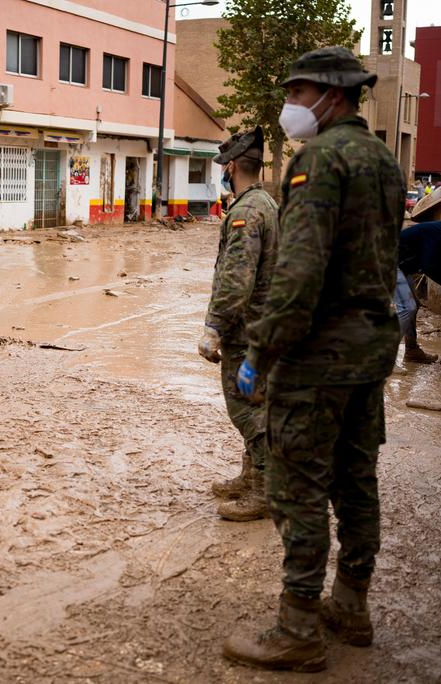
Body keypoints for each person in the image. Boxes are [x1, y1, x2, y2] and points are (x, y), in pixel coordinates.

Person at [222, 47, 406, 672]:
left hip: (317, 356)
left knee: (296, 486)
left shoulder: (317, 161)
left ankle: (298, 626)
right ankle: (351, 605)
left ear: (332, 95)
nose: (289, 106)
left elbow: (299, 275)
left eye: (297, 94)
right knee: (357, 481)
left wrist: (260, 350)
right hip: (371, 349)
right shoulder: (385, 160)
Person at [198, 126, 279, 522]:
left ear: (231, 167)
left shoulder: (246, 212)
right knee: (255, 403)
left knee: (245, 410)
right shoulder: (265, 202)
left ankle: (265, 492)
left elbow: (236, 279)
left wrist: (214, 328)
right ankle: (251, 479)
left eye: (223, 168)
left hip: (247, 331)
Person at [398, 220, 441, 363]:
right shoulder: (436, 233)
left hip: (403, 267)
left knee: (413, 306)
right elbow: (428, 265)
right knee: (407, 308)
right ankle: (382, 357)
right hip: (388, 261)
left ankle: (411, 350)